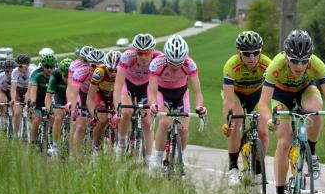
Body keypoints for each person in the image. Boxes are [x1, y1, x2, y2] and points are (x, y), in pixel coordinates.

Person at [257, 30, 325, 194]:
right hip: (280, 96)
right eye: (294, 61)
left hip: (305, 90)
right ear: (286, 57)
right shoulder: (276, 65)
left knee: (316, 108)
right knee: (284, 141)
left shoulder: (317, 65)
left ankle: (311, 153)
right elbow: (263, 103)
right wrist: (269, 120)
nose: (299, 66)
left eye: (304, 61)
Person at [221, 30, 272, 186]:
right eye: (247, 53)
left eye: (256, 53)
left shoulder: (267, 64)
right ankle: (233, 168)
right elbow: (229, 100)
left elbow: (271, 93)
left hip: (257, 95)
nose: (252, 58)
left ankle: (257, 170)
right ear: (239, 52)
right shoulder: (231, 66)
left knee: (263, 132)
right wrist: (227, 122)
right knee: (236, 120)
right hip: (236, 95)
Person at [148, 35, 207, 168]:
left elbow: (197, 91)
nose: (175, 67)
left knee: (183, 128)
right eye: (172, 63)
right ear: (166, 58)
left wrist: (199, 106)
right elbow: (152, 91)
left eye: (178, 63)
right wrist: (153, 104)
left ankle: (181, 160)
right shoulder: (156, 64)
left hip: (181, 93)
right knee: (164, 122)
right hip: (162, 93)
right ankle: (156, 159)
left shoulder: (190, 64)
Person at [114, 33, 162, 162]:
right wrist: (117, 107)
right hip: (128, 85)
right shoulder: (126, 57)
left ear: (152, 51)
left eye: (147, 53)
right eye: (140, 53)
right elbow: (118, 86)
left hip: (145, 87)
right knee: (126, 112)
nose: (144, 57)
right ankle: (122, 144)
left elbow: (160, 85)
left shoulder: (159, 58)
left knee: (147, 121)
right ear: (135, 52)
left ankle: (148, 160)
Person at [65, 46, 104, 152]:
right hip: (82, 95)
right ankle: (75, 156)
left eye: (99, 66)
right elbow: (73, 92)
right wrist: (74, 107)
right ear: (87, 64)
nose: (96, 69)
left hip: (97, 95)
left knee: (102, 119)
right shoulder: (80, 71)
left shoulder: (104, 73)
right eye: (93, 66)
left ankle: (98, 147)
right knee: (81, 126)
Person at [87, 50, 121, 155]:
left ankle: (120, 146)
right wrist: (93, 115)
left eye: (116, 70)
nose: (114, 73)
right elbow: (90, 97)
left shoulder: (124, 72)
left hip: (115, 95)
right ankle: (96, 148)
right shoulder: (99, 72)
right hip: (101, 95)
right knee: (102, 120)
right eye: (110, 70)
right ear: (105, 67)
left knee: (120, 118)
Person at [26, 54, 57, 143]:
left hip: (50, 101)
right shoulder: (37, 75)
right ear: (43, 66)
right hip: (38, 101)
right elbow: (33, 90)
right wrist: (32, 102)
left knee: (54, 118)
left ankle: (52, 141)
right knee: (36, 120)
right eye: (47, 67)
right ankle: (33, 142)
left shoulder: (55, 76)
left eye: (52, 67)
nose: (49, 69)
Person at [46, 58, 73, 156]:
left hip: (72, 96)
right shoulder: (55, 75)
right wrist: (49, 110)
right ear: (61, 72)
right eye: (65, 76)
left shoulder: (77, 75)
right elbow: (48, 96)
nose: (67, 79)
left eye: (69, 76)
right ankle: (55, 146)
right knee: (58, 117)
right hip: (59, 96)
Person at [11, 54, 36, 136]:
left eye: (21, 66)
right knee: (17, 112)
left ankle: (32, 133)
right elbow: (13, 88)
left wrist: (28, 99)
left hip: (30, 89)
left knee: (31, 110)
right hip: (19, 90)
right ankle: (16, 133)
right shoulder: (15, 71)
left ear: (27, 65)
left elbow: (30, 89)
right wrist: (13, 99)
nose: (19, 68)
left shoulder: (32, 70)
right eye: (18, 66)